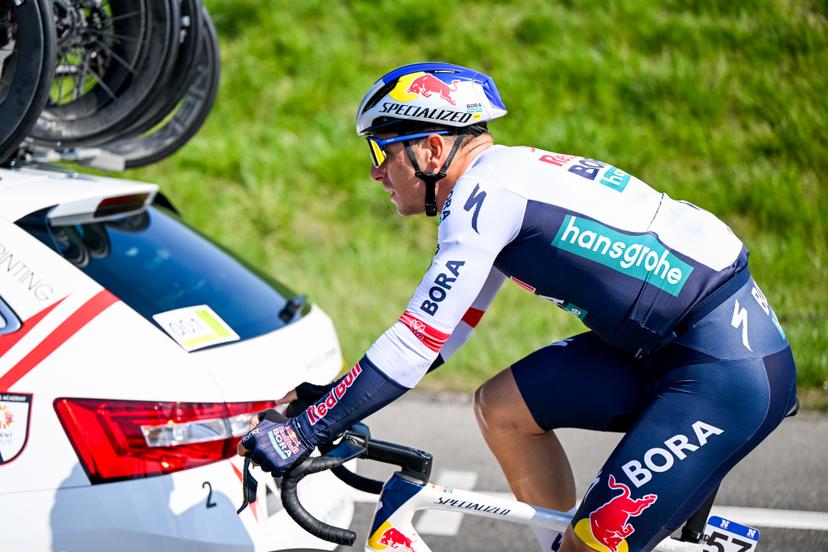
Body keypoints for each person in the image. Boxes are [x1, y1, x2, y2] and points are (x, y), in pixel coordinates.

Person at [237, 62, 797, 552]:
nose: (376, 171)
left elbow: (415, 342)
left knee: (590, 547)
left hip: (723, 370)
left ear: (433, 150)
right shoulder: (501, 181)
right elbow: (444, 335)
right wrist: (332, 401)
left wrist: (303, 431)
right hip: (663, 347)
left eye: (383, 150)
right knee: (502, 409)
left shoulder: (485, 199)